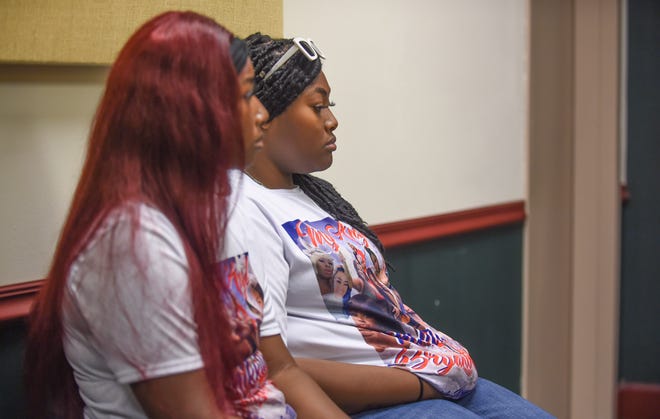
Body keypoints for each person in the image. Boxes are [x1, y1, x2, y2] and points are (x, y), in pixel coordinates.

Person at [24, 13, 346, 419]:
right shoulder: (133, 246)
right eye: (247, 95)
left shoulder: (228, 208)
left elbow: (278, 370)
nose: (262, 114)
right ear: (193, 110)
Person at [238, 33, 556, 418]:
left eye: (330, 105)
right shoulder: (247, 211)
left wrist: (435, 371)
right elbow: (276, 365)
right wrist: (421, 383)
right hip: (370, 393)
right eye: (317, 106)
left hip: (430, 369)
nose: (332, 120)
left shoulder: (314, 194)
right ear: (263, 116)